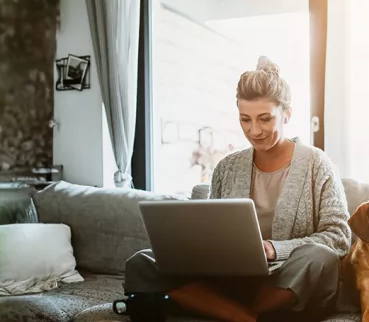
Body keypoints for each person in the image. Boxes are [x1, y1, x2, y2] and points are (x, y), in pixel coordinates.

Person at [124, 56, 351, 322]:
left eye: (265, 119)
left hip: (286, 279)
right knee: (142, 262)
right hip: (230, 278)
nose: (254, 131)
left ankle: (227, 312)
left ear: (286, 114)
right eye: (245, 120)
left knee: (320, 257)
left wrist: (275, 248)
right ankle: (247, 317)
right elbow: (210, 231)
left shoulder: (316, 163)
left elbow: (338, 237)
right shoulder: (226, 167)